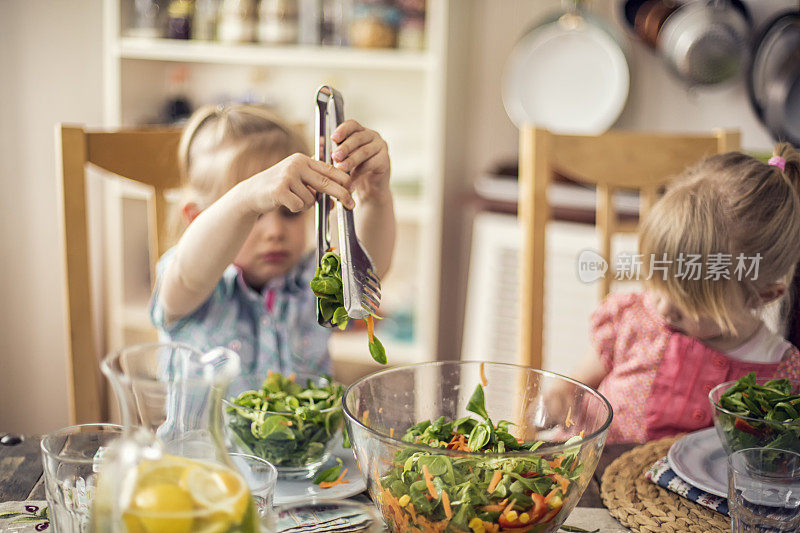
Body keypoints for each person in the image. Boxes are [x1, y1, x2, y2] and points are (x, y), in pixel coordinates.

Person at [571, 143, 800, 443]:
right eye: (656, 282)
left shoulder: (780, 375)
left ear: (764, 295)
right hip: (591, 473)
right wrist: (563, 394)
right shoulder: (633, 319)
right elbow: (578, 386)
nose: (664, 308)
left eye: (688, 301)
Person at [149, 104, 396, 379]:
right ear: (196, 217)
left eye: (290, 212)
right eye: (253, 217)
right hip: (208, 425)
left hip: (307, 423)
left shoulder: (311, 279)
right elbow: (188, 275)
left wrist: (374, 196)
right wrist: (246, 198)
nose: (275, 231)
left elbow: (371, 270)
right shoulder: (191, 282)